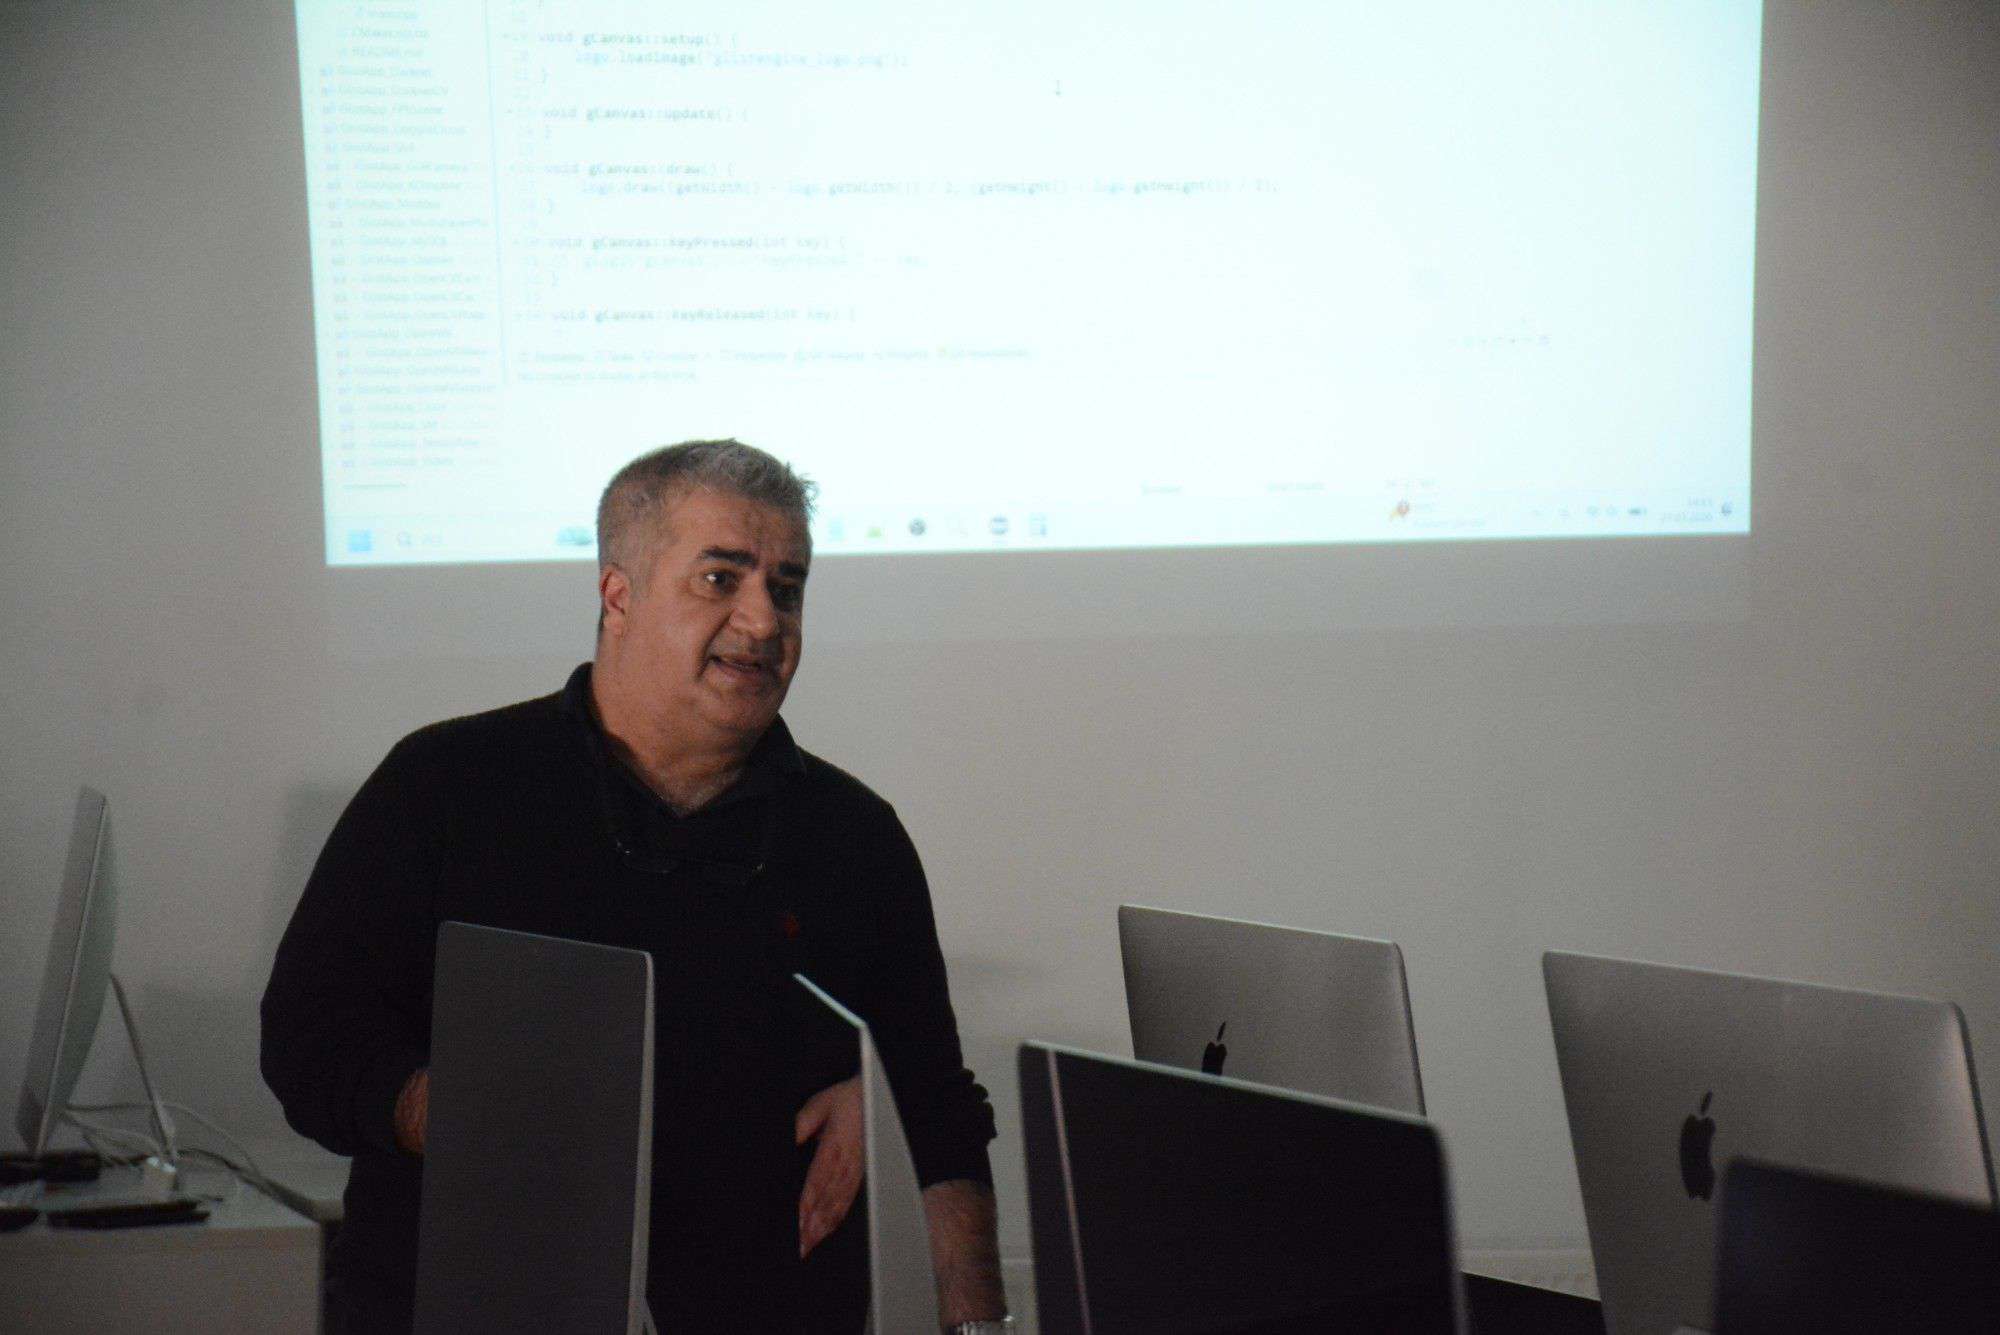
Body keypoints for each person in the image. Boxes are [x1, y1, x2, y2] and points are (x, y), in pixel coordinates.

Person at [261, 440, 1011, 1332]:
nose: (763, 620)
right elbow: (308, 1038)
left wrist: (891, 1119)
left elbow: (937, 1112)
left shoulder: (856, 834)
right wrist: (449, 1113)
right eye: (720, 579)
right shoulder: (445, 786)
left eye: (787, 588)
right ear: (618, 595)